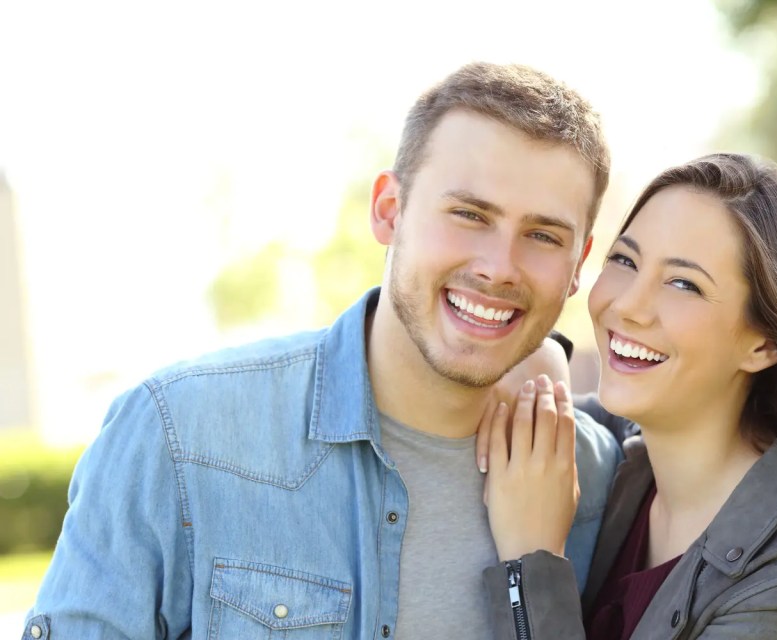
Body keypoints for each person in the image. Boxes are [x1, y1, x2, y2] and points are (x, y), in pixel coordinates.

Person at [23, 62, 622, 640]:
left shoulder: (598, 482)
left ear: (578, 265)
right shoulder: (179, 433)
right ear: (389, 210)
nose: (498, 267)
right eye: (469, 214)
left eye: (543, 236)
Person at [479, 153, 777, 639]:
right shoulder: (621, 462)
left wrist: (529, 564)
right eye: (625, 260)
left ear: (764, 343)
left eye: (683, 283)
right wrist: (543, 360)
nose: (628, 305)